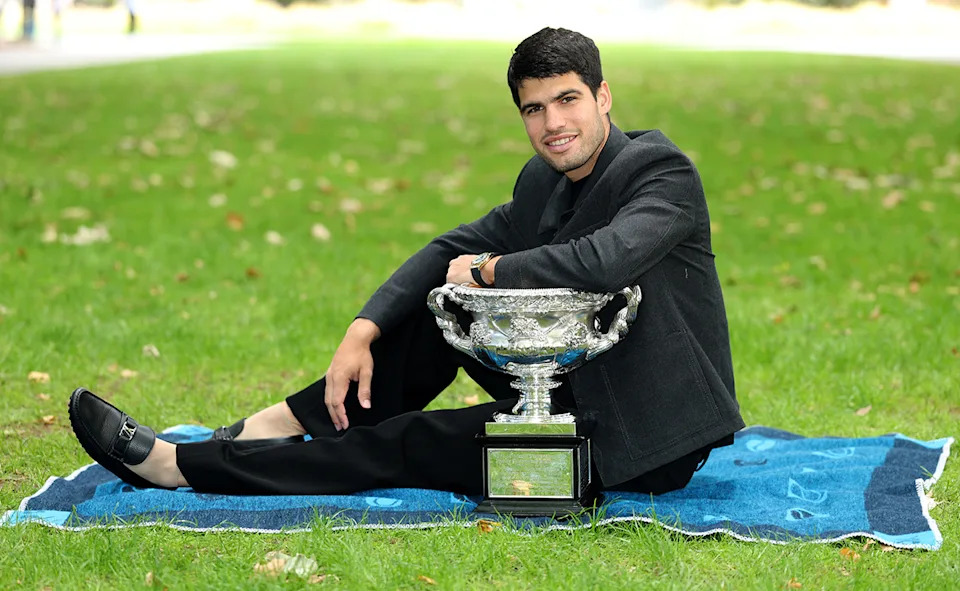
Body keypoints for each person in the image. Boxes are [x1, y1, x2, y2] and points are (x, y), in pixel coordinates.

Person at [69, 27, 745, 498]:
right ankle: (271, 426)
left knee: (407, 441)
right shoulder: (542, 181)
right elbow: (448, 250)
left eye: (567, 99)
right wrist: (364, 328)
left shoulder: (660, 171)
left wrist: (486, 273)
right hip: (564, 383)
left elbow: (602, 261)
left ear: (603, 97)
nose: (551, 123)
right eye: (533, 109)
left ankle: (180, 466)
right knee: (427, 319)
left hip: (643, 436)